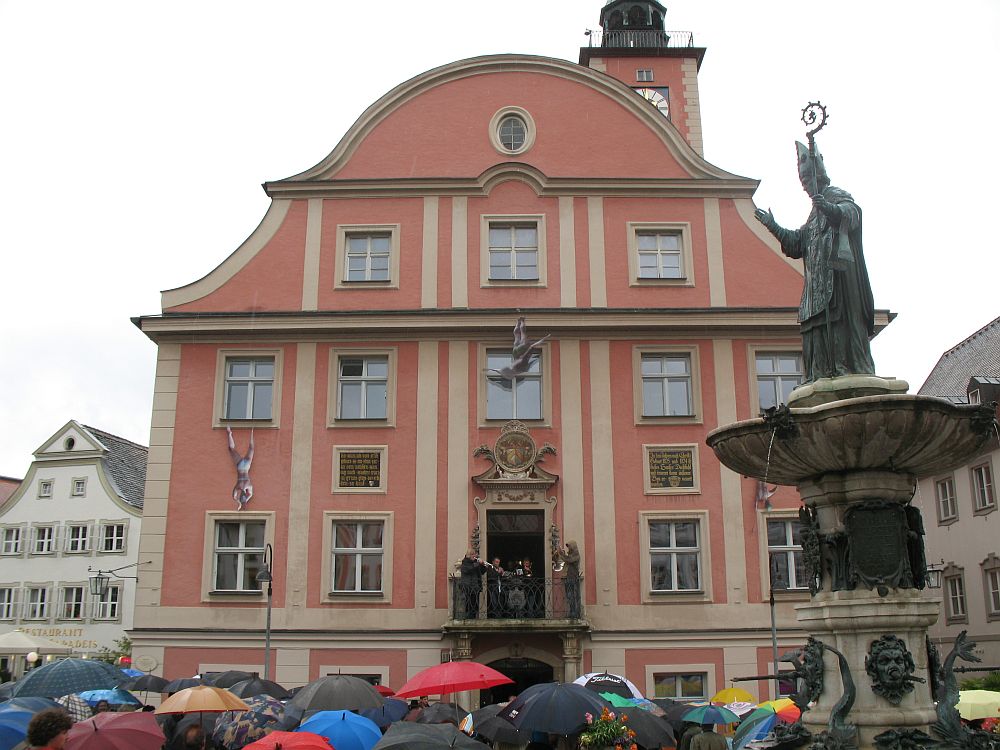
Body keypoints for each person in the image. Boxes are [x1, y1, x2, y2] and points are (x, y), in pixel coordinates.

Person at [754, 141, 875, 383]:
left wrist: (829, 208)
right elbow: (797, 243)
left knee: (839, 326)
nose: (806, 185)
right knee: (815, 330)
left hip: (838, 282)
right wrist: (773, 226)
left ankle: (843, 369)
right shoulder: (813, 215)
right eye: (803, 181)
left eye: (808, 179)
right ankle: (820, 373)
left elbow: (851, 214)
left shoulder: (836, 196)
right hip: (815, 290)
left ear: (819, 175)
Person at [459, 549, 487, 618]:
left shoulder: (475, 563)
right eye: (472, 554)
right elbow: (468, 569)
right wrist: (478, 564)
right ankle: (468, 618)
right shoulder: (465, 562)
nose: (474, 556)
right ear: (469, 555)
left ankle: (474, 617)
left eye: (474, 554)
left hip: (475, 587)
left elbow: (482, 571)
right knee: (468, 605)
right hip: (467, 587)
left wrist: (483, 565)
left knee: (475, 605)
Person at [560, 541, 581, 618]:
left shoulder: (576, 555)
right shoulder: (570, 555)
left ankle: (574, 613)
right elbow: (567, 559)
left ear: (573, 547)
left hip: (573, 578)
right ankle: (572, 612)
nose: (568, 548)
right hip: (568, 578)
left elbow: (569, 560)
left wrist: (562, 555)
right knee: (569, 596)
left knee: (573, 596)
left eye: (569, 546)